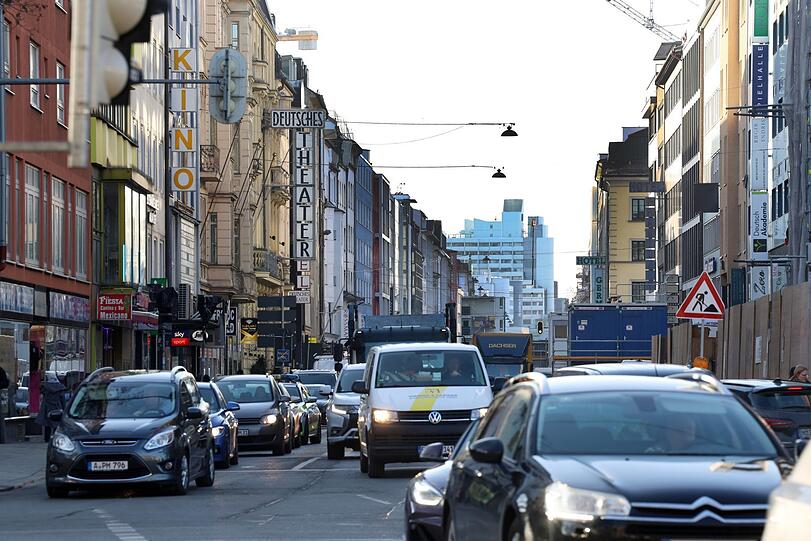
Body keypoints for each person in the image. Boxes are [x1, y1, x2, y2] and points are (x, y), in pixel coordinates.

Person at [36, 373, 66, 441]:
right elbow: (63, 400)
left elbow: (40, 390)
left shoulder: (46, 387)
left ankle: (46, 438)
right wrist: (65, 409)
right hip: (57, 407)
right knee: (57, 423)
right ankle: (55, 438)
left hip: (47, 408)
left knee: (47, 424)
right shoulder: (60, 388)